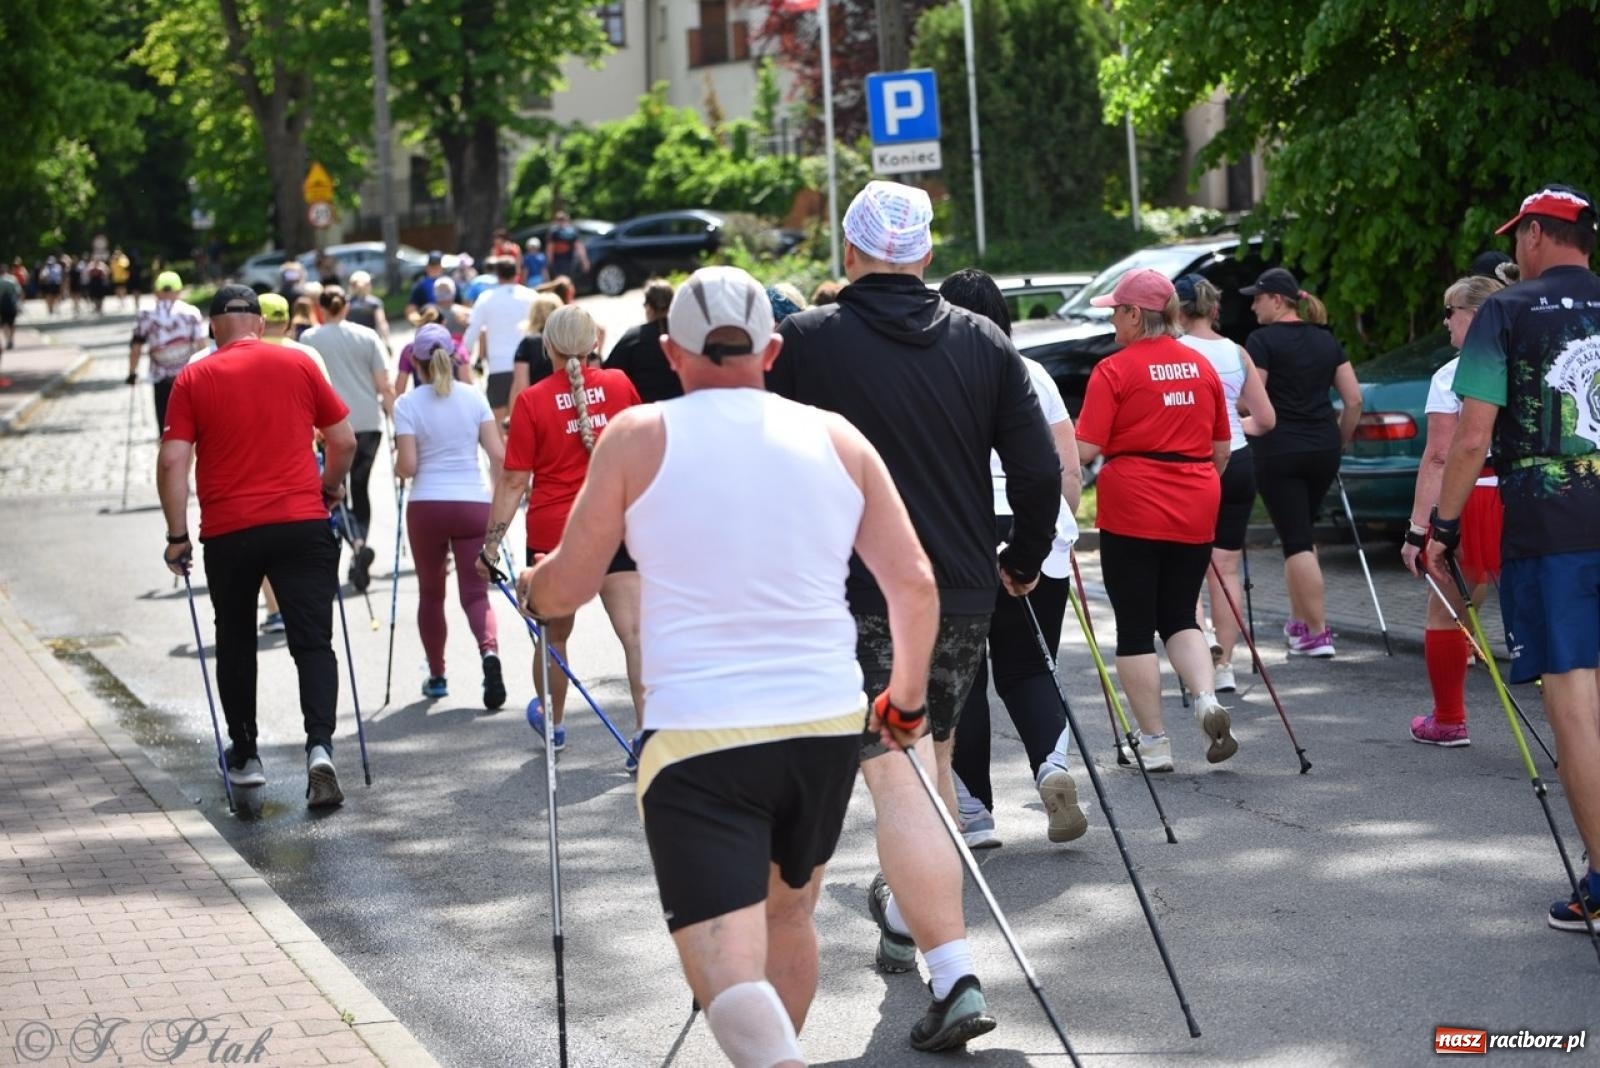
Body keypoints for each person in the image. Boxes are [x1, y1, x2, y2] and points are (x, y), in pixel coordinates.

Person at [518, 265, 937, 1068]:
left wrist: (534, 584)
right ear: (772, 351)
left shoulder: (638, 436)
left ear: (671, 353)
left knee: (725, 965)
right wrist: (907, 702)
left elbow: (566, 586)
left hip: (701, 734)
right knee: (789, 918)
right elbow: (913, 583)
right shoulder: (837, 438)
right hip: (822, 722)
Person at [770, 180, 1058, 1050]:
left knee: (897, 775)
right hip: (962, 591)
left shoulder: (807, 341)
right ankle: (906, 917)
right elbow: (1037, 470)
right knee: (927, 765)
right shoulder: (984, 340)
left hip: (854, 591)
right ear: (927, 254)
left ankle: (955, 973)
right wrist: (1024, 561)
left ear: (849, 252)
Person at [1426, 183, 1600, 933]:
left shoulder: (1507, 310)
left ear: (1533, 234)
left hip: (1553, 527)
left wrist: (1441, 526)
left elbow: (1471, 438)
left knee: (1574, 702)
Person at [156, 285, 357, 808]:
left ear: (212, 328)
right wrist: (329, 488)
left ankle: (246, 755)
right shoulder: (299, 363)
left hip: (230, 530)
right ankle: (320, 748)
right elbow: (344, 440)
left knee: (237, 639)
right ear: (260, 325)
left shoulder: (192, 377)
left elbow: (173, 461)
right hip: (301, 522)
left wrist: (177, 537)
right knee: (312, 641)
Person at [937, 268, 1089, 848]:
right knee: (1030, 667)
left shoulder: (936, 373)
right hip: (1036, 528)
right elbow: (1067, 470)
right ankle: (1051, 767)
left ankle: (974, 811)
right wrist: (1058, 531)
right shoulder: (1034, 374)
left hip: (962, 534)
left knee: (964, 677)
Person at [1074, 268, 1238, 772]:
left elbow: (1085, 449)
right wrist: (1196, 485)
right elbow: (1222, 449)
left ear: (1133, 314)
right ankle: (1206, 700)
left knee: (1134, 627)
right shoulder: (1201, 365)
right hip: (1196, 498)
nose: (1111, 322)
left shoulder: (1113, 370)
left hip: (1134, 503)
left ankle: (1155, 742)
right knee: (1180, 616)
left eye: (1115, 313)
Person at [479, 305, 645, 754]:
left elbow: (514, 482)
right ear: (594, 344)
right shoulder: (620, 384)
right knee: (635, 636)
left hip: (556, 534)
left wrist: (490, 548)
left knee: (552, 638)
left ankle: (553, 724)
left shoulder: (532, 401)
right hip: (618, 525)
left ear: (547, 346)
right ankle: (648, 734)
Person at [1402, 274, 1507, 746]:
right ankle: (1578, 727)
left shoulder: (1452, 374)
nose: (1445, 322)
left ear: (1477, 316)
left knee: (1445, 610)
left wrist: (1417, 529)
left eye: (1452, 312)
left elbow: (1441, 457)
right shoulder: (1531, 361)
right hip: (1532, 492)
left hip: (1473, 497)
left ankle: (1449, 720)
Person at [1243, 267, 1363, 657]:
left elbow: (1253, 399)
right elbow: (1354, 400)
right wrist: (1339, 440)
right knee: (1300, 534)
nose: (1253, 306)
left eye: (1258, 298)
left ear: (1277, 300)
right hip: (1323, 448)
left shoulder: (1261, 341)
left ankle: (1317, 632)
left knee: (1296, 541)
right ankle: (1299, 622)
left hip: (1280, 450)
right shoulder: (1326, 339)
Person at [394, 322, 507, 707]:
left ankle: (438, 675)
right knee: (476, 594)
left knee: (431, 593)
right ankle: (489, 653)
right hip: (473, 502)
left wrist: (397, 466)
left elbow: (409, 466)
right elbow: (498, 455)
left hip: (427, 505)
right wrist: (497, 499)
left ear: (416, 363)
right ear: (455, 358)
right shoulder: (474, 397)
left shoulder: (407, 404)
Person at [1177, 274, 1276, 691]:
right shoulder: (1237, 352)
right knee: (1226, 567)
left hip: (1192, 465)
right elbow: (1266, 419)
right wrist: (1236, 427)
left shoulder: (1174, 352)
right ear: (1214, 308)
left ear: (1176, 310)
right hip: (1237, 460)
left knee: (1188, 567)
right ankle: (1226, 666)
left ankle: (1198, 656)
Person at [302, 286, 395, 591]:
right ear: (346, 308)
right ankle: (360, 544)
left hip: (329, 425)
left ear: (320, 309)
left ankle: (354, 542)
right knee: (360, 487)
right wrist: (397, 423)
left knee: (332, 490)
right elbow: (384, 385)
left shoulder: (309, 339)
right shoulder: (367, 336)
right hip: (367, 421)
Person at [255, 293, 332, 634]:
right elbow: (328, 411)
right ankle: (305, 605)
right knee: (302, 534)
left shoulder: (240, 357)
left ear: (257, 322)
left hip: (258, 459)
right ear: (287, 322)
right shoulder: (306, 354)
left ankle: (275, 609)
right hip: (302, 457)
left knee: (263, 536)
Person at [127, 271, 206, 431]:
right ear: (179, 291)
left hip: (161, 377)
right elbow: (201, 346)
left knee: (166, 427)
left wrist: (132, 373)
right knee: (192, 425)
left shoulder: (146, 314)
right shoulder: (191, 313)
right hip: (188, 377)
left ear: (156, 292)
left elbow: (136, 347)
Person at [462, 256, 537, 423]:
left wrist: (464, 355)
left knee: (498, 419)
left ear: (497, 275)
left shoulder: (486, 298)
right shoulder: (531, 296)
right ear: (517, 273)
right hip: (528, 365)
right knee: (530, 417)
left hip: (499, 366)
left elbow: (473, 331)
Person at [604, 279, 682, 403]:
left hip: (646, 409)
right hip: (686, 404)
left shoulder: (634, 338)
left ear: (649, 307)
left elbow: (609, 373)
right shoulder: (687, 333)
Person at [396, 310, 473, 395]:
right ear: (443, 323)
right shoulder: (457, 347)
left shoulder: (409, 350)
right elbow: (468, 384)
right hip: (453, 395)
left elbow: (399, 390)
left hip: (421, 399)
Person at [508, 293, 563, 412]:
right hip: (566, 404)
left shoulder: (528, 343)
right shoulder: (567, 341)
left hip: (540, 408)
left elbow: (521, 386)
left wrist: (514, 416)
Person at [344, 270, 392, 350]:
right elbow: (381, 323)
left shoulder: (345, 303)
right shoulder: (374, 303)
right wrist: (387, 343)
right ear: (367, 285)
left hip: (351, 343)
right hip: (371, 342)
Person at [544, 212, 589, 282]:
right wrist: (549, 262)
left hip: (569, 260)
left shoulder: (572, 232)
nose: (561, 222)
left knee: (567, 280)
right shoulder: (554, 232)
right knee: (560, 280)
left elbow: (579, 247)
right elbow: (550, 248)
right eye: (560, 220)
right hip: (558, 261)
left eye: (562, 219)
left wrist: (584, 260)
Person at [405, 251, 447, 324]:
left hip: (447, 323)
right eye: (432, 266)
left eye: (436, 266)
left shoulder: (449, 283)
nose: (434, 269)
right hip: (429, 324)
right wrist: (419, 321)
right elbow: (411, 309)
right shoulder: (421, 285)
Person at [0, 269, 20, 362]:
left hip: (2, 306)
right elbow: (18, 292)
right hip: (12, 305)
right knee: (12, 323)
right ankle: (11, 339)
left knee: (4, 323)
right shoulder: (12, 279)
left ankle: (7, 339)